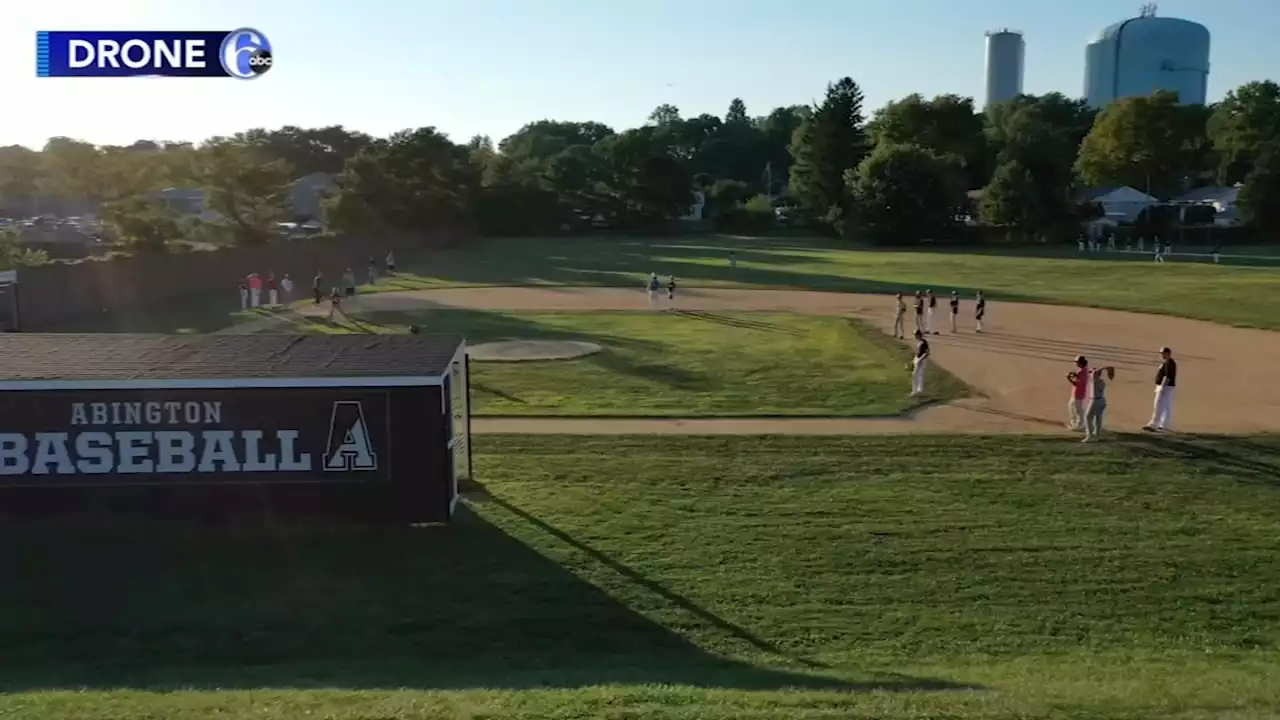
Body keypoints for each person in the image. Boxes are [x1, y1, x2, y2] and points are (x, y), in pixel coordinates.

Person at [1144, 347, 1177, 432]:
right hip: (1167, 387)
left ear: (1167, 353)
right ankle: (1164, 425)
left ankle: (1154, 424)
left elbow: (1167, 376)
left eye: (1162, 353)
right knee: (1166, 406)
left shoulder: (1169, 363)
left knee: (1159, 405)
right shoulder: (1168, 362)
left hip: (1166, 387)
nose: (1161, 355)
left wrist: (1162, 387)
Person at [1083, 366, 1116, 442]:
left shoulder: (1094, 379)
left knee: (1087, 416)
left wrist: (1107, 368)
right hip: (1101, 400)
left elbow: (1094, 372)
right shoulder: (1101, 381)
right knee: (1098, 418)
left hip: (1095, 400)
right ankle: (1097, 435)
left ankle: (1089, 435)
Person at [1066, 355, 1090, 431]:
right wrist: (1073, 374)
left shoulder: (1082, 371)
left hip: (1078, 394)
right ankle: (1074, 424)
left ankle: (1079, 425)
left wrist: (1068, 378)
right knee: (1071, 407)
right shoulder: (1082, 370)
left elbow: (1077, 383)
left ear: (1081, 363)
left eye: (1077, 362)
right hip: (1076, 393)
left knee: (1078, 410)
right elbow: (1077, 376)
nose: (1076, 363)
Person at [910, 329, 930, 396]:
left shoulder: (923, 342)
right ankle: (919, 390)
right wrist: (914, 359)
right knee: (918, 375)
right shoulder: (918, 341)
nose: (914, 336)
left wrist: (920, 360)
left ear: (918, 335)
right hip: (918, 359)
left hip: (921, 360)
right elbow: (918, 352)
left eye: (915, 335)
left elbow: (927, 353)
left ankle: (915, 391)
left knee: (915, 375)